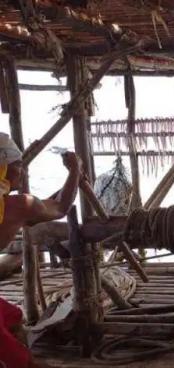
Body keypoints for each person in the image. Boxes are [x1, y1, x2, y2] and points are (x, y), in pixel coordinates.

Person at [0, 132, 82, 368]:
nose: (22, 171)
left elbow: (46, 204)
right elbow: (60, 207)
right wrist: (75, 170)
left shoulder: (13, 206)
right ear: (4, 167)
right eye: (18, 165)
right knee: (22, 361)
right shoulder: (17, 206)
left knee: (14, 317)